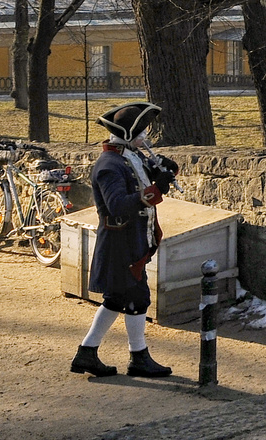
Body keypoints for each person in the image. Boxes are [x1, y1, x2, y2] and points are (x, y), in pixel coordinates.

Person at [70, 101, 178, 379]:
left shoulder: (131, 157)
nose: (145, 137)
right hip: (120, 244)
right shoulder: (109, 165)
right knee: (136, 298)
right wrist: (156, 189)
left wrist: (166, 170)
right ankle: (137, 357)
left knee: (117, 299)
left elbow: (144, 180)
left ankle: (88, 353)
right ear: (128, 134)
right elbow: (118, 205)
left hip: (132, 239)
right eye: (141, 131)